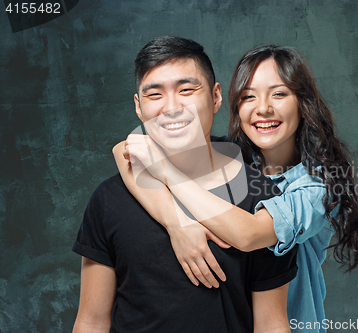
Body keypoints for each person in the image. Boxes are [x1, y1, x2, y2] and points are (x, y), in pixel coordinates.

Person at [116, 45, 358, 333]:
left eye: (279, 93)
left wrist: (167, 172)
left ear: (303, 102)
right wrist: (177, 224)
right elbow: (125, 151)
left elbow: (249, 234)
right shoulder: (227, 155)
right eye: (248, 96)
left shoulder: (319, 186)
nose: (262, 108)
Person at [72, 36, 298, 333]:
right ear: (138, 107)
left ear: (216, 97)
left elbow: (270, 323)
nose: (172, 107)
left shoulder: (262, 198)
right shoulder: (110, 198)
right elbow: (91, 320)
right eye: (155, 95)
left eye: (187, 90)